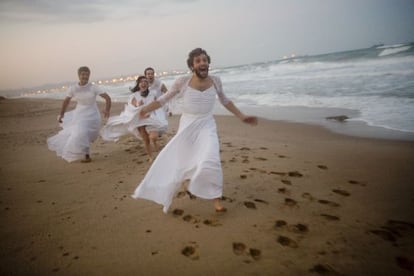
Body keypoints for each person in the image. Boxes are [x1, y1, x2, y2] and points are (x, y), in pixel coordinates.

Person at [131, 48, 258, 213]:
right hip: (188, 125)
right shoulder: (182, 81)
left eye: (205, 60)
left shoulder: (216, 81)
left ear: (208, 63)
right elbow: (163, 99)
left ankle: (216, 199)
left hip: (207, 124)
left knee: (211, 159)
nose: (202, 63)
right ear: (192, 66)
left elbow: (225, 101)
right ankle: (186, 182)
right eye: (198, 61)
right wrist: (145, 109)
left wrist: (242, 116)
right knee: (185, 160)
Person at [47, 66, 111, 163]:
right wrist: (61, 114)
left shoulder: (94, 87)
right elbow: (66, 101)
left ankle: (86, 153)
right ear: (78, 75)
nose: (85, 76)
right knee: (81, 132)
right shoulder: (73, 88)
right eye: (83, 74)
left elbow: (107, 98)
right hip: (80, 114)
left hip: (93, 115)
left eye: (87, 74)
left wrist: (107, 110)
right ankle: (86, 155)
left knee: (90, 135)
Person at [100, 76, 167, 162]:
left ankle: (154, 142)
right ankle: (150, 156)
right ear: (138, 85)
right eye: (141, 82)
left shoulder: (153, 93)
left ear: (148, 84)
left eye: (145, 82)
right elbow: (133, 106)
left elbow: (157, 104)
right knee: (145, 139)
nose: (144, 83)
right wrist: (138, 105)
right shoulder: (134, 95)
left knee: (153, 137)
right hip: (139, 120)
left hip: (151, 118)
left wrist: (165, 110)